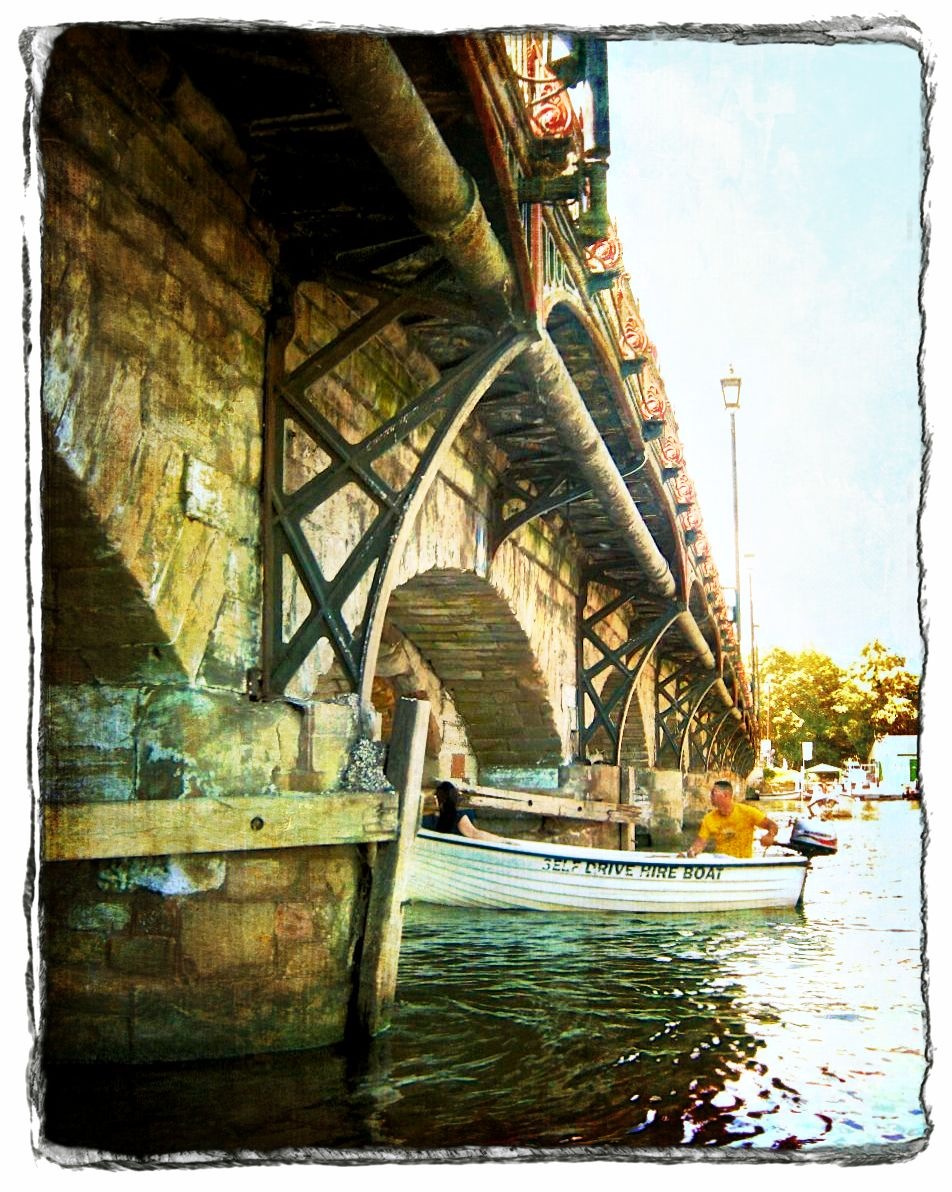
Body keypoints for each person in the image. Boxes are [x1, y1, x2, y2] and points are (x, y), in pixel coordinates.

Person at [682, 779, 778, 859]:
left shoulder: (748, 812)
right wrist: (690, 853)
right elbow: (700, 843)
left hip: (742, 862)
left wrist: (770, 835)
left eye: (713, 793)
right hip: (721, 860)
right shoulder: (709, 818)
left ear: (726, 795)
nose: (710, 797)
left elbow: (772, 825)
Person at [421, 780, 506, 842]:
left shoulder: (457, 816)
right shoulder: (427, 815)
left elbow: (473, 833)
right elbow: (474, 833)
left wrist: (501, 840)